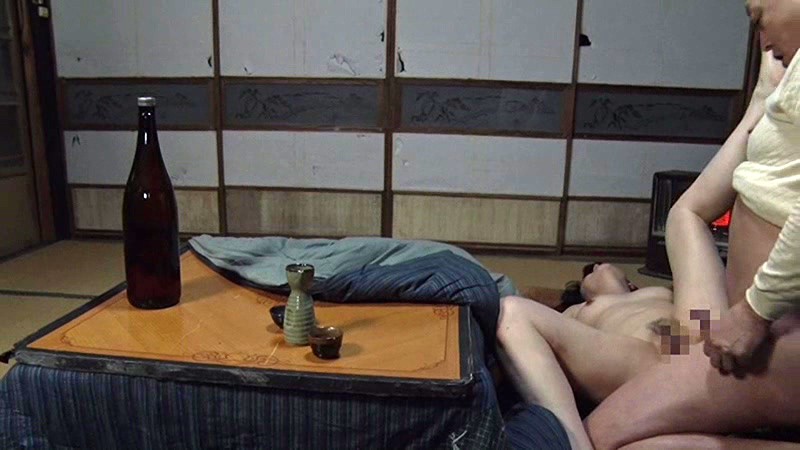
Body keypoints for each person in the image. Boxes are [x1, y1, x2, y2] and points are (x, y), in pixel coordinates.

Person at [584, 1, 800, 447]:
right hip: (728, 328)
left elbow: (518, 318)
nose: (762, 41)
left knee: (602, 435)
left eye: (758, 18)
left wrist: (754, 312)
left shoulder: (637, 306)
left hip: (754, 328)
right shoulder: (617, 306)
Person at [497, 263, 682, 450]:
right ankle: (574, 443)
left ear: (630, 283)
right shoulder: (577, 309)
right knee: (510, 312)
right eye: (591, 272)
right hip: (633, 359)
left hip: (686, 352)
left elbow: (694, 305)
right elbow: (545, 351)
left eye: (597, 266)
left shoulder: (658, 291)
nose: (598, 266)